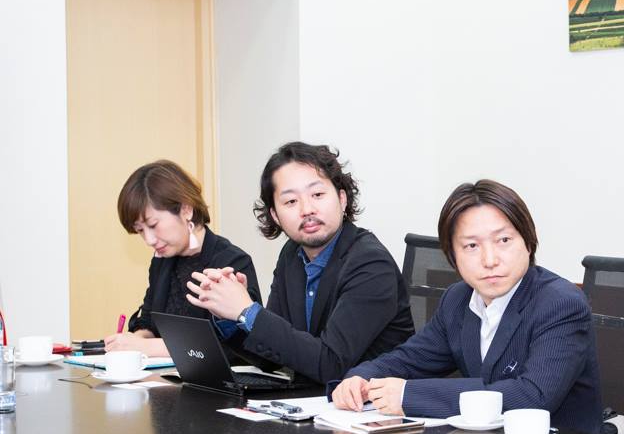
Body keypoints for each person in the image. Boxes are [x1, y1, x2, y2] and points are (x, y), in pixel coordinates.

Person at [331, 180, 602, 434]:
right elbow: (410, 359)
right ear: (452, 256)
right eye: (472, 246)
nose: (490, 260)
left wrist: (408, 396)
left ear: (528, 243)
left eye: (503, 241)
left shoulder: (560, 303)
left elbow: (532, 396)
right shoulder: (458, 299)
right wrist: (363, 377)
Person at [186, 142, 414, 384]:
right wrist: (231, 316)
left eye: (318, 195)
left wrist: (247, 311)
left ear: (342, 199)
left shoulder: (371, 263)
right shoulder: (292, 254)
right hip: (312, 398)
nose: (307, 209)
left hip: (369, 401)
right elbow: (273, 357)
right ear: (275, 215)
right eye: (291, 201)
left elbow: (331, 365)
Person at [109, 160, 261, 358]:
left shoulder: (231, 262)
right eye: (140, 230)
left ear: (186, 210)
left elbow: (231, 346)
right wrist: (133, 342)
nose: (149, 240)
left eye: (153, 225)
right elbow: (148, 321)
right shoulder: (162, 260)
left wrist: (148, 347)